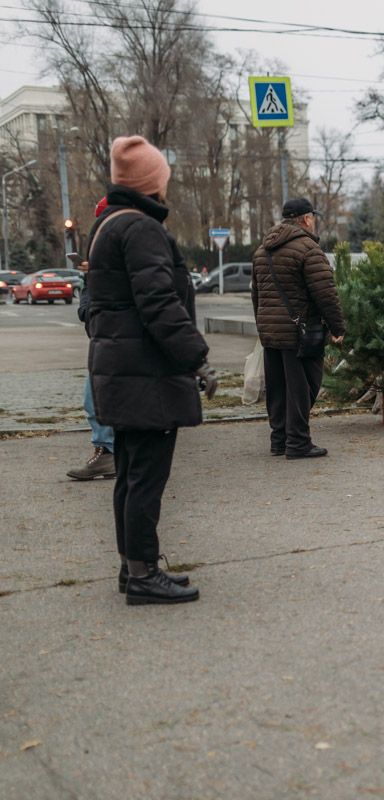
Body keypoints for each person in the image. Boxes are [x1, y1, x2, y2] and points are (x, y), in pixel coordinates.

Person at [88, 135, 215, 605]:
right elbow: (159, 303)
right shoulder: (140, 229)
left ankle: (133, 565)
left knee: (131, 474)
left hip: (123, 370)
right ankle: (142, 575)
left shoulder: (108, 225)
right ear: (151, 184)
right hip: (146, 375)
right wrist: (197, 358)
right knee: (145, 478)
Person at [251, 197, 345, 459]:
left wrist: (263, 327)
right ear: (306, 219)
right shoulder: (308, 249)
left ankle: (279, 440)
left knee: (278, 388)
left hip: (271, 333)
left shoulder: (262, 250)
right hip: (300, 333)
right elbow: (325, 293)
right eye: (312, 217)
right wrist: (338, 327)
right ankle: (298, 442)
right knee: (304, 386)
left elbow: (256, 295)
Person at [67, 197, 116, 481]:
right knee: (94, 398)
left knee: (96, 397)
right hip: (104, 334)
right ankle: (107, 451)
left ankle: (109, 452)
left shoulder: (122, 242)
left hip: (114, 335)